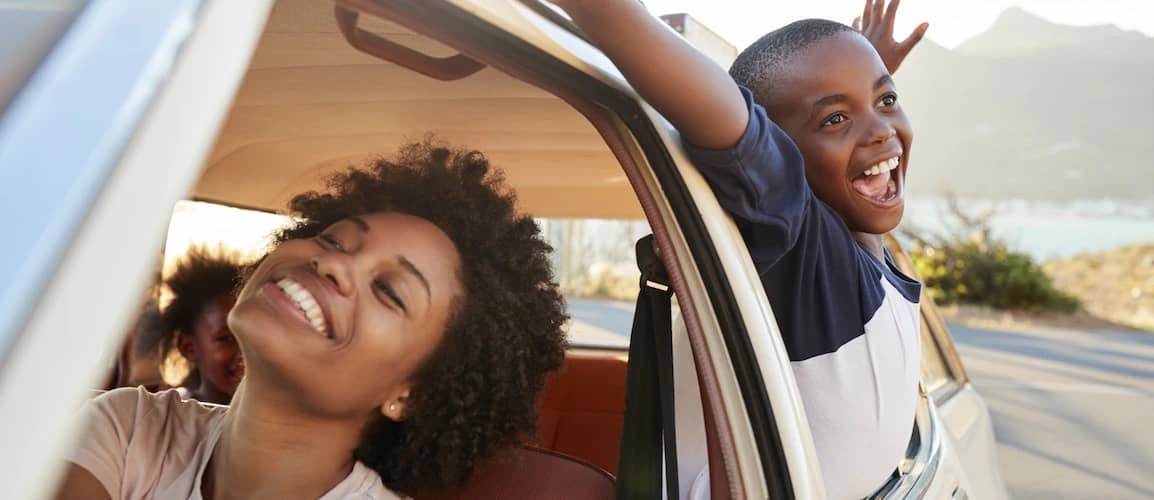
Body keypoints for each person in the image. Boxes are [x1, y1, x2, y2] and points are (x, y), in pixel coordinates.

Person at [547, 0, 928, 497]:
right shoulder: (803, 255)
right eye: (834, 119)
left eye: (887, 99)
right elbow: (740, 135)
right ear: (776, 153)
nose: (881, 129)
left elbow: (861, 212)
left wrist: (855, 81)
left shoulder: (858, 244)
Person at [55, 141, 568, 500]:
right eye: (334, 239)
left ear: (414, 393)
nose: (334, 263)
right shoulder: (129, 428)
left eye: (388, 290)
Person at [158, 246, 248, 404]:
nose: (246, 351)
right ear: (189, 348)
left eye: (252, 336)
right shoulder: (168, 415)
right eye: (227, 338)